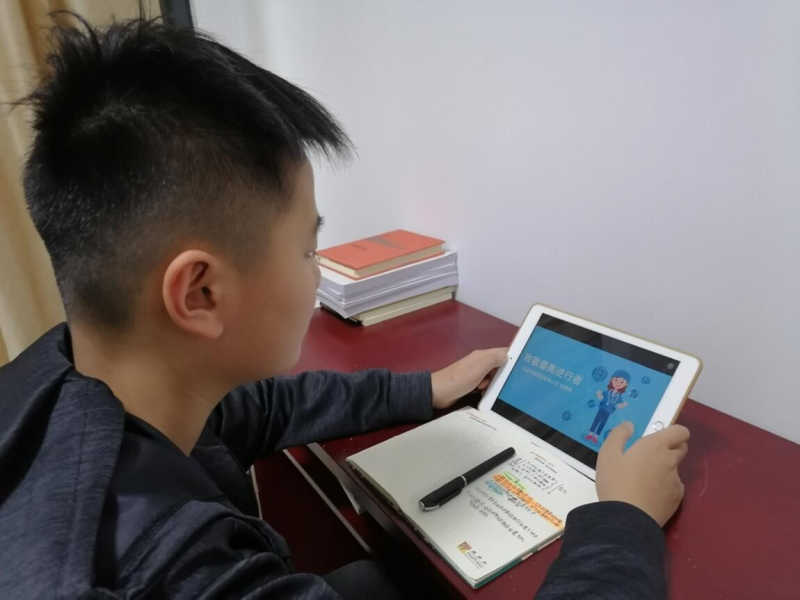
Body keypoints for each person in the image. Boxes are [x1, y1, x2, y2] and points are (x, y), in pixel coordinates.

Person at [0, 13, 689, 599]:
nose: (319, 270)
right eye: (308, 249)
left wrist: (424, 388)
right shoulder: (174, 574)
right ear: (200, 294)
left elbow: (254, 411)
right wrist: (622, 520)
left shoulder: (64, 388)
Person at [586, 369, 631, 444]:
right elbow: (601, 398)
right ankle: (590, 434)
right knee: (596, 420)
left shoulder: (619, 397)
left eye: (622, 382)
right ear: (611, 379)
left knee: (602, 423)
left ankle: (596, 436)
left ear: (626, 384)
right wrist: (599, 394)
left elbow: (619, 406)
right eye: (616, 380)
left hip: (608, 411)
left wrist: (623, 405)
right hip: (602, 409)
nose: (618, 383)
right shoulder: (607, 392)